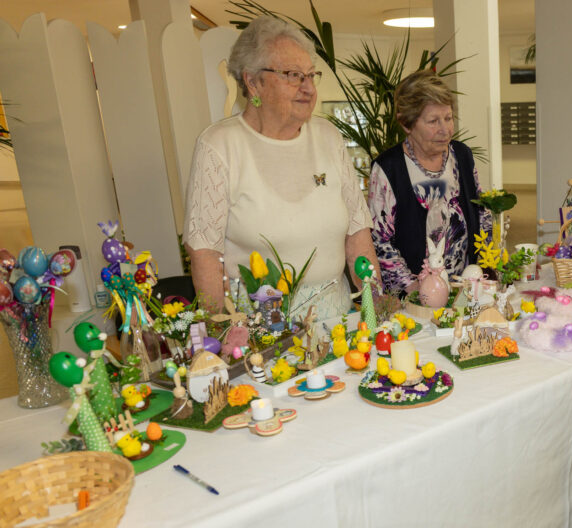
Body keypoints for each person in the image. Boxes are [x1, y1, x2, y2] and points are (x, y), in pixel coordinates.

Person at [183, 15, 379, 320]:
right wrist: (222, 330)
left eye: (311, 75)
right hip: (260, 327)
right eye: (293, 75)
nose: (308, 88)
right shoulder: (219, 145)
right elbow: (204, 253)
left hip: (337, 318)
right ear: (253, 82)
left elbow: (358, 235)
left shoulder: (328, 137)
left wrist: (376, 308)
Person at [368, 69, 491, 297]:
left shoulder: (462, 156)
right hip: (415, 298)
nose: (445, 130)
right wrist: (416, 291)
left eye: (448, 118)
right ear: (406, 123)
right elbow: (380, 242)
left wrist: (486, 268)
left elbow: (482, 214)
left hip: (466, 291)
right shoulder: (388, 168)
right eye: (433, 121)